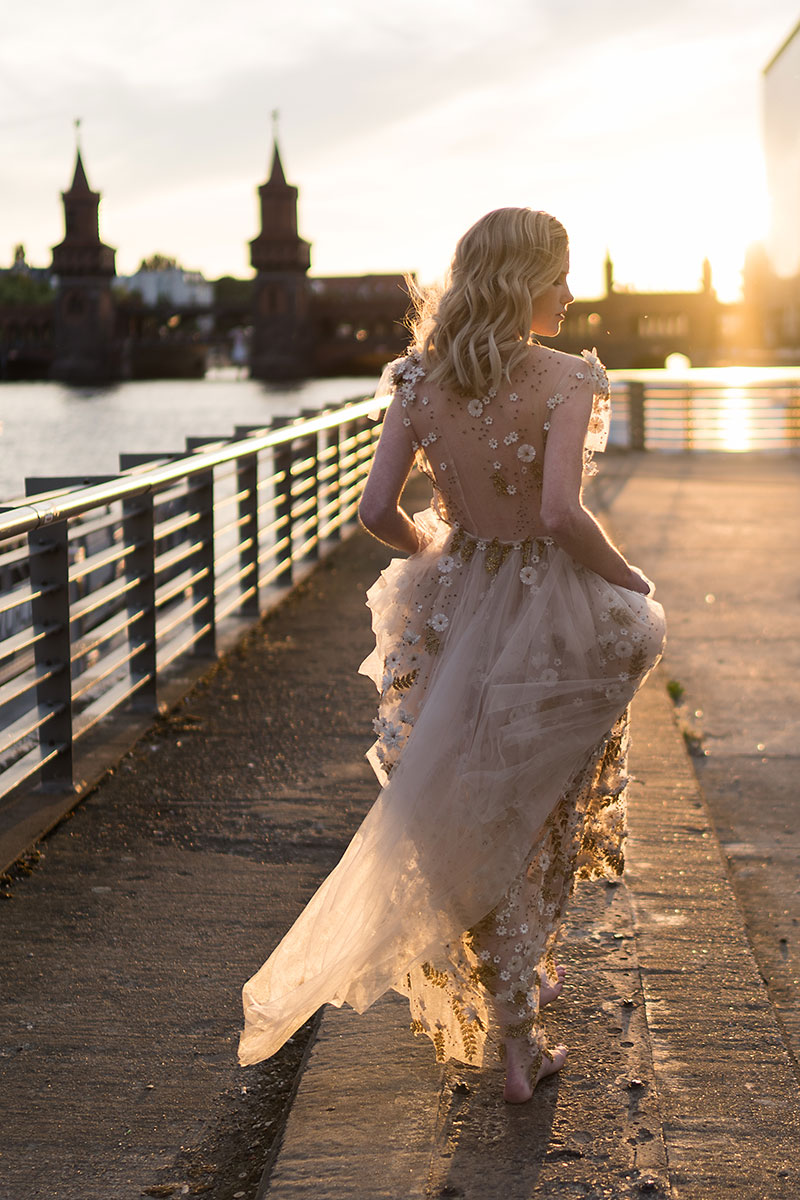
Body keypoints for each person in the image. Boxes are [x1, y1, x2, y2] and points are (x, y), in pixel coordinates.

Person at [239, 207, 666, 1103]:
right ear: (523, 281)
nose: (571, 292)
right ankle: (521, 1027)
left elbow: (375, 513)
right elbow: (559, 514)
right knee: (538, 803)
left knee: (467, 808)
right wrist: (628, 579)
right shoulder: (571, 376)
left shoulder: (416, 379)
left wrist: (436, 549)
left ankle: (514, 1020)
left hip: (453, 603)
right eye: (560, 275)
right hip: (551, 610)